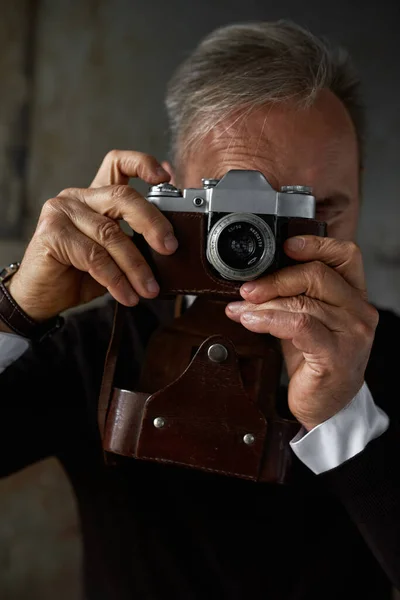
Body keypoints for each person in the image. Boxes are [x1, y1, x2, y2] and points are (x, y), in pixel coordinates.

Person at [0, 20, 398, 600]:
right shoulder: (97, 349)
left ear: (360, 193)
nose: (261, 248)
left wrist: (348, 421)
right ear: (173, 191)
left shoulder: (393, 353)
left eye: (314, 213)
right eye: (234, 211)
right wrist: (15, 311)